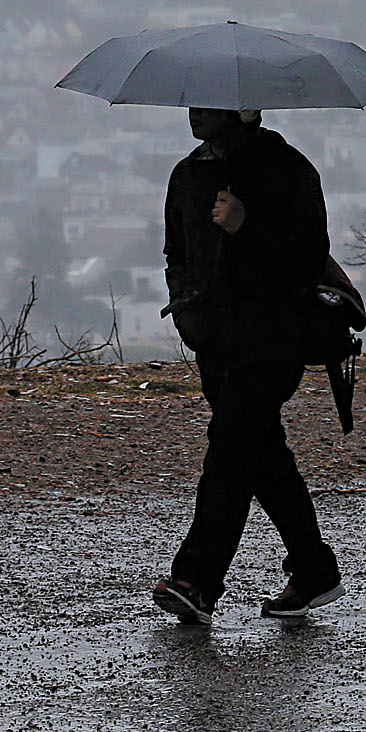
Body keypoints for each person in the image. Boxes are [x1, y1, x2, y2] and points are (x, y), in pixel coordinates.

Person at [150, 106, 344, 624]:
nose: (193, 111)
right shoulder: (188, 175)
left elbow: (308, 257)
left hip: (274, 339)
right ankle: (314, 568)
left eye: (206, 101)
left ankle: (196, 579)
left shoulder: (287, 170)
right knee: (262, 455)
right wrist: (187, 311)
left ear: (241, 108)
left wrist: (246, 225)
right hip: (215, 342)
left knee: (231, 449)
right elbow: (176, 251)